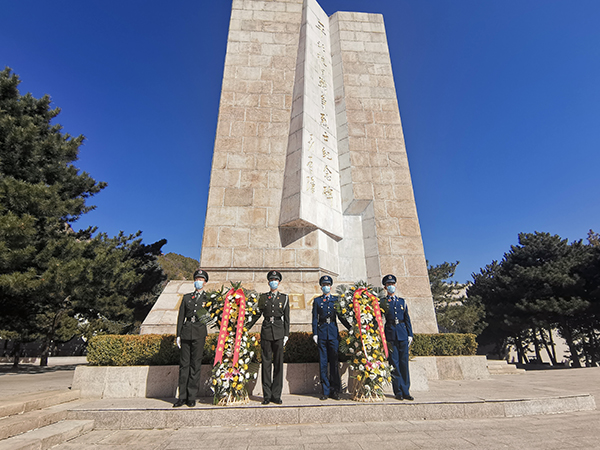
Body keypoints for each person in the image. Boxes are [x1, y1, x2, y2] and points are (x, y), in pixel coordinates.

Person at [247, 270, 290, 405]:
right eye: (272, 279)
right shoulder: (263, 297)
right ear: (268, 282)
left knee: (278, 364)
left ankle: (276, 395)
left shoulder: (284, 298)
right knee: (266, 364)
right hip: (266, 331)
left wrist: (286, 334)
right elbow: (257, 314)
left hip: (278, 332)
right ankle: (267, 395)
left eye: (276, 280)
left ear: (279, 282)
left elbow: (287, 318)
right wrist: (245, 327)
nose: (274, 282)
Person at [173, 269, 209, 407]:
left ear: (205, 282)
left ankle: (191, 397)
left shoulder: (207, 298)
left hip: (199, 332)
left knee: (195, 365)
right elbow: (181, 316)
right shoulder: (187, 297)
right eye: (197, 279)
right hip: (186, 331)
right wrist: (178, 334)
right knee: (184, 365)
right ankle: (182, 396)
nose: (198, 282)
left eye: (201, 279)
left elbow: (207, 318)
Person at [312, 275, 351, 401]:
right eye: (324, 285)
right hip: (322, 333)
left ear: (331, 286)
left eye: (328, 285)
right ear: (321, 287)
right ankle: (325, 390)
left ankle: (335, 391)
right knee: (323, 363)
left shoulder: (336, 300)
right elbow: (314, 318)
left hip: (333, 334)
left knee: (334, 363)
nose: (326, 287)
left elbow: (341, 317)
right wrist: (315, 334)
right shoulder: (317, 301)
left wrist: (351, 327)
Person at [380, 274, 414, 401]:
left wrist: (410, 334)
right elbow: (379, 319)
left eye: (392, 284)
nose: (391, 286)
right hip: (390, 335)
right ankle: (398, 391)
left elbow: (407, 319)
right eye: (388, 285)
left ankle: (406, 390)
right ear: (385, 287)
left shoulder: (402, 302)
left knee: (404, 363)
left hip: (402, 334)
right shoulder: (383, 302)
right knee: (394, 364)